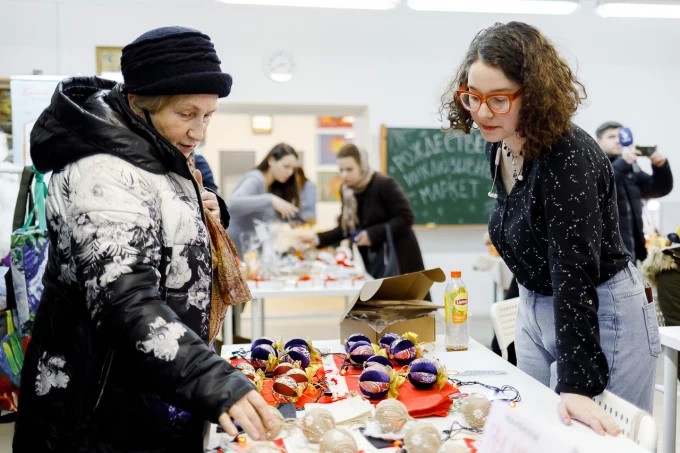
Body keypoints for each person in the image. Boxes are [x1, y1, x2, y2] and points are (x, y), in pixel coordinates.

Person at [13, 26, 273, 452]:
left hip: (150, 387)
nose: (199, 132)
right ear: (138, 104)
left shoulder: (158, 152)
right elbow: (124, 303)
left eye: (208, 116)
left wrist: (210, 209)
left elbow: (169, 222)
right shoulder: (101, 172)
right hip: (97, 406)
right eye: (187, 115)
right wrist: (215, 381)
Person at [441, 21, 659, 435]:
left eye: (499, 99)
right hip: (536, 305)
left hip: (601, 307)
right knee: (537, 432)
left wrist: (576, 384)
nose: (482, 112)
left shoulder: (568, 157)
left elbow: (572, 268)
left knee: (598, 440)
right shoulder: (499, 142)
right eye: (472, 97)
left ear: (534, 96)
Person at [300, 143, 426, 280]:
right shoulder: (347, 191)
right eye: (341, 170)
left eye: (349, 169)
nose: (344, 175)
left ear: (362, 166)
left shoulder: (384, 184)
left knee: (408, 299)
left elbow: (406, 218)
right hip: (374, 260)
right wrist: (318, 239)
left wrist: (371, 234)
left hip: (399, 256)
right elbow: (346, 229)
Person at [595, 121, 673, 262]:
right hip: (606, 255)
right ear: (598, 141)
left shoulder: (630, 168)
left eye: (621, 136)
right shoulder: (594, 165)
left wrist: (661, 167)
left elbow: (658, 189)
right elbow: (602, 187)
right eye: (611, 137)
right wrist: (623, 163)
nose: (618, 140)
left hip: (632, 251)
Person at [227, 143, 300, 257]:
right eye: (286, 166)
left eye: (292, 169)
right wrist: (270, 200)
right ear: (271, 160)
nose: (290, 172)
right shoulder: (256, 178)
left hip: (250, 253)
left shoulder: (272, 186)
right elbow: (232, 205)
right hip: (234, 250)